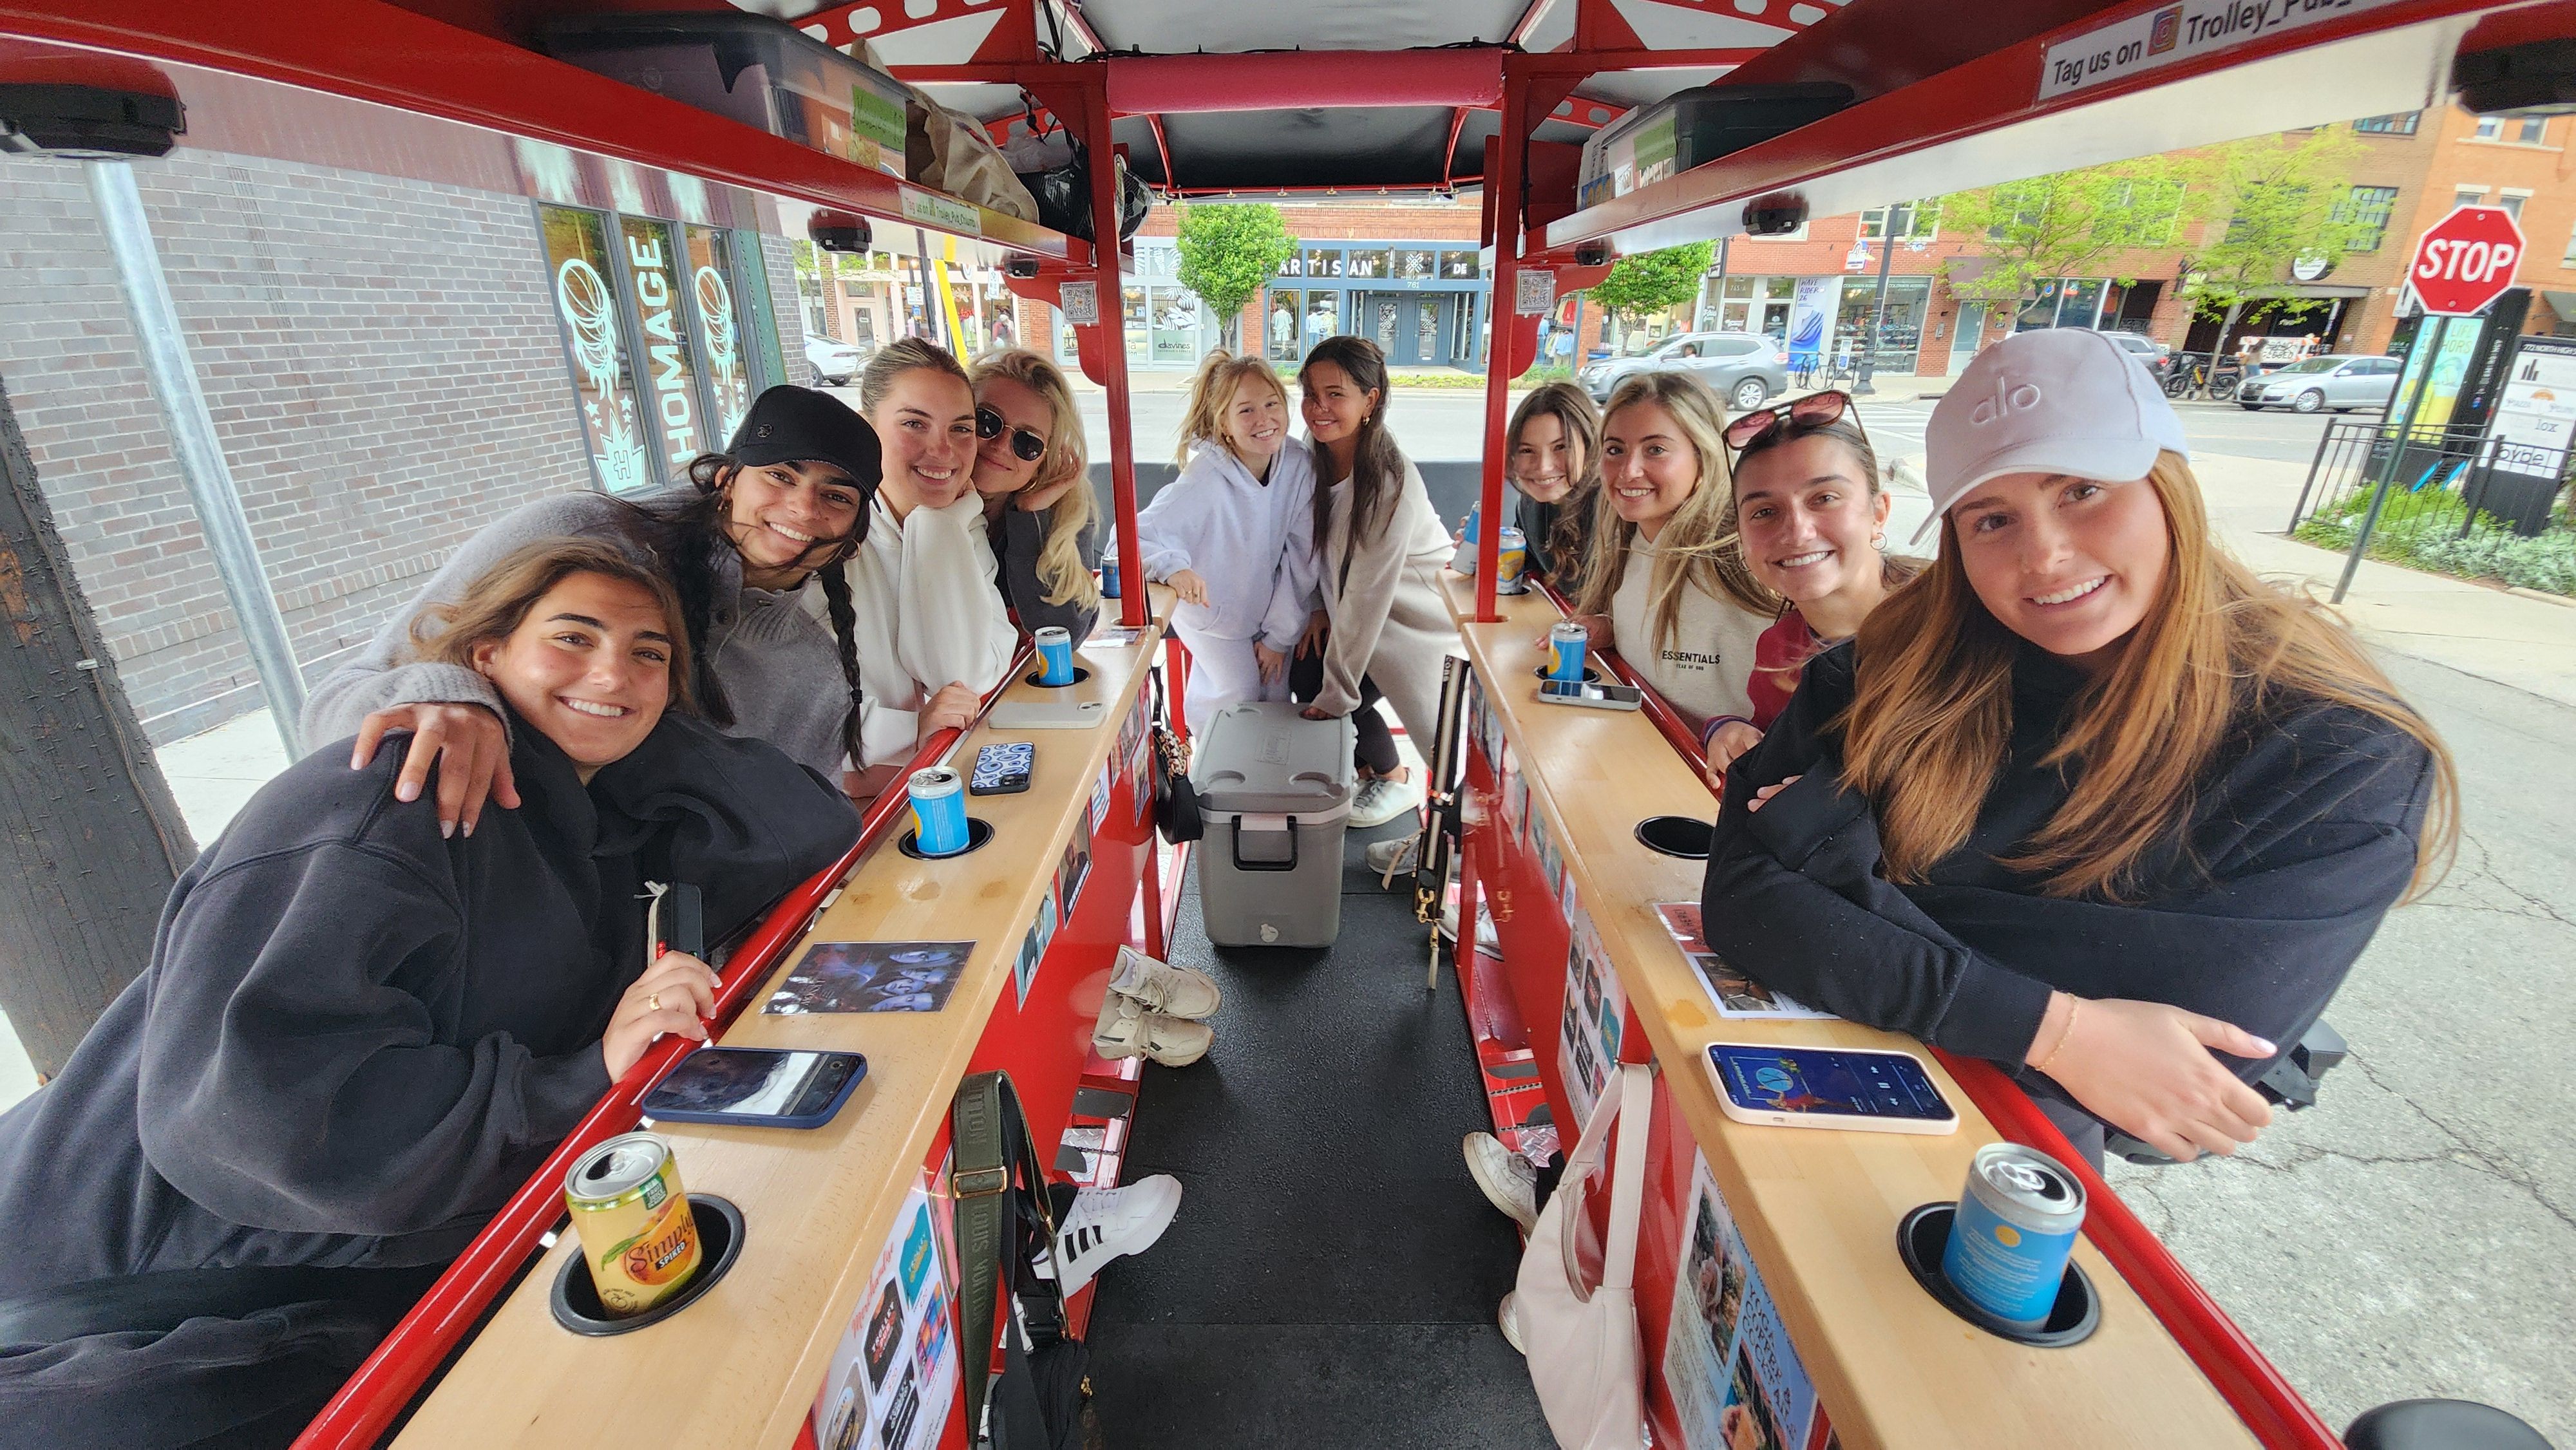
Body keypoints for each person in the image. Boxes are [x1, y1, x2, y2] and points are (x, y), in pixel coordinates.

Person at [0, 540, 862, 1448]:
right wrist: (574, 1082)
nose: (615, 667)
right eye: (572, 636)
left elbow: (803, 827)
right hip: (125, 1324)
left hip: (337, 1291)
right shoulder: (386, 798)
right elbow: (270, 1119)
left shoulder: (589, 808)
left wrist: (613, 717)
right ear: (487, 649)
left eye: (652, 651)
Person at [1698, 328, 2458, 1166]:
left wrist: (1833, 864)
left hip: (2000, 1174)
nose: (2045, 554)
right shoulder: (1891, 664)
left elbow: (2177, 1095)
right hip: (1783, 1108)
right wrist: (2062, 1024)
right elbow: (1741, 902)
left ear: (2171, 489)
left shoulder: (2338, 756)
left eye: (2084, 490)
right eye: (1993, 518)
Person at [305, 384, 883, 829]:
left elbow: (787, 834)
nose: (803, 509)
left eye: (835, 496)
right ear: (727, 479)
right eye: (780, 476)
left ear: (856, 528)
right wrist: (453, 700)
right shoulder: (577, 534)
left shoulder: (813, 674)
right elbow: (341, 699)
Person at [1289, 336, 1459, 828]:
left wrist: (1337, 695)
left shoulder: (1388, 478)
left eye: (1335, 394)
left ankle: (1405, 790)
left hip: (1413, 624)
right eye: (1310, 393)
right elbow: (1318, 551)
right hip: (1354, 613)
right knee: (1304, 672)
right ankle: (1386, 773)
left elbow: (1368, 591)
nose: (1318, 408)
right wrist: (1318, 609)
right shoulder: (1315, 454)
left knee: (1450, 754)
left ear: (1371, 399)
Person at [1701, 390, 1915, 780]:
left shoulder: (1956, 625)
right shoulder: (1777, 651)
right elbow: (1772, 747)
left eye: (1824, 498)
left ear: (1879, 512)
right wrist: (1726, 730)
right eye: (1765, 512)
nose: (1797, 532)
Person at [842, 339, 1020, 798]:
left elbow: (968, 673)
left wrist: (937, 523)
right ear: (865, 430)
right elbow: (804, 723)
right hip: (850, 818)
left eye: (961, 429)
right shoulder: (829, 539)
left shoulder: (961, 518)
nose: (943, 451)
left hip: (927, 785)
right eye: (914, 424)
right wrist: (913, 728)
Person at [1566, 372, 1776, 742]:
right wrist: (1612, 627)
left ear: (1703, 455)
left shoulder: (1740, 549)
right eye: (1615, 450)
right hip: (1644, 751)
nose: (1629, 471)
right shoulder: (1629, 534)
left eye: (1656, 450)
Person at [1132, 350, 1316, 736]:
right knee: (1238, 694)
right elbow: (1134, 537)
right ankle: (1212, 780)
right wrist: (1173, 567)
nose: (1264, 420)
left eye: (1272, 404)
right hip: (1211, 615)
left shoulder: (1298, 464)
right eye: (1246, 410)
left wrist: (1280, 636)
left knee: (1276, 691)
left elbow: (1302, 555)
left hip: (1263, 608)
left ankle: (1265, 783)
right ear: (1225, 424)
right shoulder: (1206, 480)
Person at [969, 348, 1101, 646]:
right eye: (987, 422)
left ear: (1045, 459)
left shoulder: (1064, 510)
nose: (1002, 446)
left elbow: (1064, 634)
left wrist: (1029, 516)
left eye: (1027, 442)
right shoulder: (920, 503)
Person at [1503, 381, 1604, 587]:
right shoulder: (1528, 505)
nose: (1543, 468)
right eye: (1527, 451)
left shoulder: (1614, 512)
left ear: (1589, 445)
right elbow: (1527, 569)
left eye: (1561, 447)